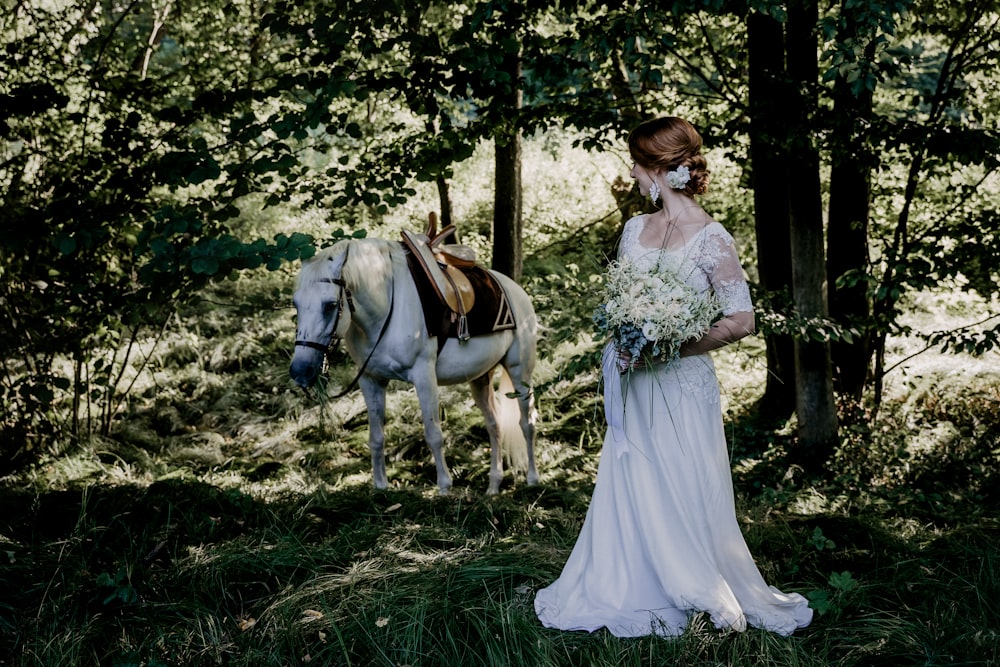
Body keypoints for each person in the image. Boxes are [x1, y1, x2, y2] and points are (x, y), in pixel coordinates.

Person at [534, 117, 813, 637]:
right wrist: (629, 337)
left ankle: (696, 581)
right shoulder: (634, 230)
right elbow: (621, 304)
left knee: (684, 478)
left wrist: (670, 346)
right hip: (633, 380)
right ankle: (629, 581)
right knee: (634, 471)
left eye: (636, 166)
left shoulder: (712, 238)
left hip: (682, 383)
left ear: (656, 170)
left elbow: (741, 320)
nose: (634, 177)